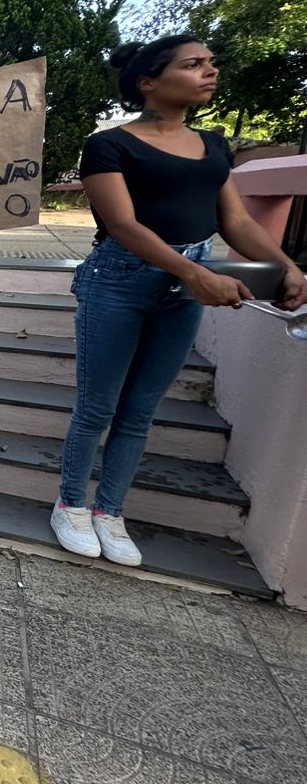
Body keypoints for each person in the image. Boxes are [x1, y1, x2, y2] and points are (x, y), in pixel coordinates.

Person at [52, 37, 305, 566]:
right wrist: (196, 274)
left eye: (211, 63)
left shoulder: (214, 146)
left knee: (141, 409)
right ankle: (71, 503)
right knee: (97, 406)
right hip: (120, 280)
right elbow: (123, 225)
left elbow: (235, 220)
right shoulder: (108, 145)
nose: (209, 72)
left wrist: (288, 266)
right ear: (149, 81)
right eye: (193, 65)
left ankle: (110, 510)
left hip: (186, 284)